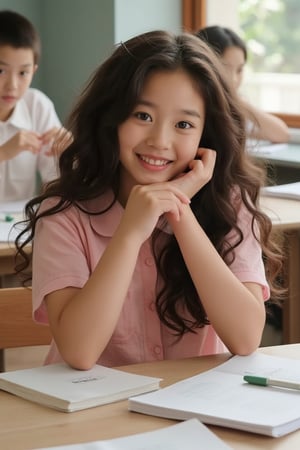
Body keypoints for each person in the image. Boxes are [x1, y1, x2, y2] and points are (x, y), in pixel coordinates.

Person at [15, 30, 283, 370]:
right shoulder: (64, 213)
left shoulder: (229, 204)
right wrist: (130, 232)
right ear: (111, 116)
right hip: (92, 416)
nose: (160, 140)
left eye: (184, 124)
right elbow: (79, 352)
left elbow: (245, 338)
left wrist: (179, 212)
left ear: (207, 135)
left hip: (193, 411)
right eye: (143, 116)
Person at [0, 10, 69, 202]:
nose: (12, 86)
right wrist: (3, 152)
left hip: (18, 225)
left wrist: (68, 156)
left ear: (34, 71)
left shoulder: (37, 106)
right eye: (1, 71)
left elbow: (55, 183)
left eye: (23, 73)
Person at [196, 25, 290, 143]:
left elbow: (282, 134)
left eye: (239, 70)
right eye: (225, 68)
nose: (234, 79)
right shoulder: (193, 103)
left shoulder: (233, 108)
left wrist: (237, 102)